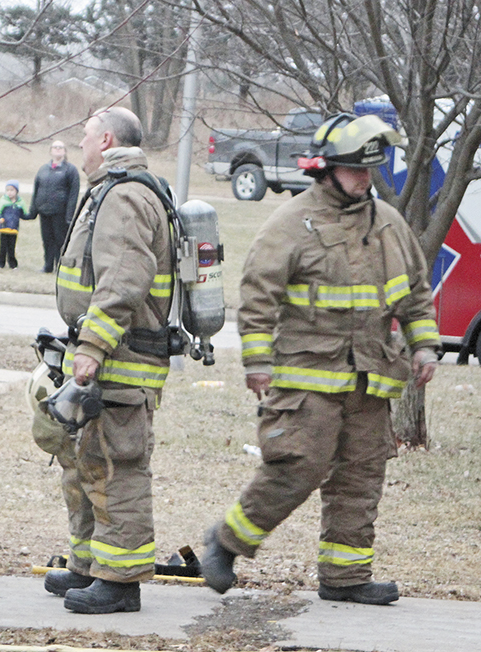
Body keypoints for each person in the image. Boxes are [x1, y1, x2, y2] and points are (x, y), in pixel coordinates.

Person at [200, 113, 441, 605]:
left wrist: (425, 345)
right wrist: (256, 362)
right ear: (325, 169)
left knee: (361, 474)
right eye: (355, 171)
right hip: (306, 376)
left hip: (369, 376)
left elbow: (414, 293)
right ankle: (227, 541)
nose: (365, 180)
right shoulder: (292, 222)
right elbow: (258, 295)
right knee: (298, 467)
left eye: (369, 172)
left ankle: (346, 577)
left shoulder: (388, 224)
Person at [41, 107, 172, 614]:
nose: (80, 145)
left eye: (85, 135)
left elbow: (123, 279)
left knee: (118, 466)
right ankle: (89, 566)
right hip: (107, 352)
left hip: (121, 357)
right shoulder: (114, 189)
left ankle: (120, 581)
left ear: (108, 139)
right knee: (88, 462)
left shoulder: (125, 197)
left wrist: (92, 346)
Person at [29, 140, 80, 272]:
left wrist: (69, 215)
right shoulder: (43, 169)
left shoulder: (70, 170)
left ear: (65, 151)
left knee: (60, 240)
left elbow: (73, 194)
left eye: (60, 147)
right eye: (55, 147)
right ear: (51, 150)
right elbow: (36, 190)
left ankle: (60, 265)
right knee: (47, 240)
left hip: (60, 213)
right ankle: (48, 265)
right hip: (44, 211)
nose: (57, 149)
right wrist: (33, 211)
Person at [0, 180, 26, 269]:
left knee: (12, 247)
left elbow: (24, 213)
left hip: (14, 229)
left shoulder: (20, 202)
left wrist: (30, 215)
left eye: (12, 190)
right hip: (4, 228)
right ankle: (0, 263)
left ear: (16, 191)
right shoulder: (3, 201)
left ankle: (13, 264)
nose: (9, 192)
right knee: (2, 247)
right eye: (8, 190)